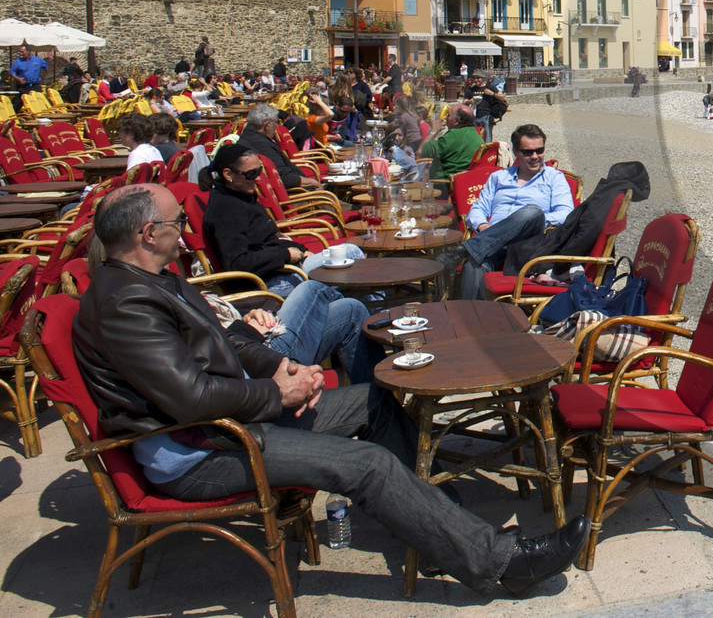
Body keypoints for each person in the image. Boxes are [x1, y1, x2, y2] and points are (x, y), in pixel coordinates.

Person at [75, 183, 588, 597]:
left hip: (228, 424)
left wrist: (284, 365)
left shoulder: (157, 279)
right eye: (178, 223)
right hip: (200, 452)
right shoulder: (125, 304)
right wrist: (280, 396)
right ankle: (498, 562)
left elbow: (228, 340)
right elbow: (189, 400)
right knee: (369, 464)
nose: (185, 231)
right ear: (148, 233)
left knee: (374, 401)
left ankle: (440, 528)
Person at [458, 124, 575, 299]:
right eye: (528, 152)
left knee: (532, 212)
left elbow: (566, 214)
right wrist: (482, 225)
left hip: (528, 245)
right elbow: (478, 207)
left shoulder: (554, 178)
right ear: (515, 152)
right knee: (473, 264)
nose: (535, 156)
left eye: (539, 150)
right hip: (494, 243)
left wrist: (528, 221)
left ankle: (464, 250)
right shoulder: (499, 177)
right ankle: (470, 319)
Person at [204, 278, 379, 384]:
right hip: (261, 356)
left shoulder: (181, 289)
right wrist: (247, 330)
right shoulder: (178, 306)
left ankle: (380, 404)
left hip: (249, 335)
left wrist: (248, 317)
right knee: (311, 288)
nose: (182, 225)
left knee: (351, 309)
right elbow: (214, 347)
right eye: (178, 221)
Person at [200, 144, 314, 297]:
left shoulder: (241, 196)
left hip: (277, 270)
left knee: (342, 265)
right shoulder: (226, 209)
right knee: (338, 272)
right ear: (228, 174)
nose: (258, 178)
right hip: (260, 285)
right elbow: (238, 262)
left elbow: (265, 240)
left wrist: (299, 249)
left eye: (259, 171)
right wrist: (285, 255)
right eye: (251, 174)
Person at [238, 104, 321, 192]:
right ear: (267, 125)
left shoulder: (250, 137)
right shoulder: (260, 144)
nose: (277, 126)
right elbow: (284, 178)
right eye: (276, 122)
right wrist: (312, 182)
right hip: (293, 194)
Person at [418, 105, 486, 179]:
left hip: (442, 184)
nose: (446, 118)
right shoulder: (475, 135)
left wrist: (434, 131)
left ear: (457, 121)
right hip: (464, 180)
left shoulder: (453, 136)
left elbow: (420, 152)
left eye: (449, 115)